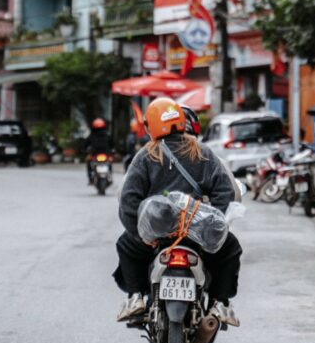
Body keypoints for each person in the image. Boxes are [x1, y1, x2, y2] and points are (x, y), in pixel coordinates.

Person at [114, 98, 242, 326]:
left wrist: (142, 236)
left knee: (125, 245)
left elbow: (128, 201)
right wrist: (213, 229)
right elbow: (225, 192)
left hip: (157, 235)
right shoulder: (202, 152)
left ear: (151, 125)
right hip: (196, 232)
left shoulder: (146, 155)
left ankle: (135, 297)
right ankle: (220, 303)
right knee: (230, 248)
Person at [84, 118, 113, 184]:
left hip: (95, 154)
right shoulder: (107, 135)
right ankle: (110, 175)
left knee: (88, 162)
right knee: (110, 162)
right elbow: (112, 144)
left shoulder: (92, 135)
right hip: (105, 154)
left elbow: (85, 144)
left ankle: (90, 177)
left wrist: (85, 150)